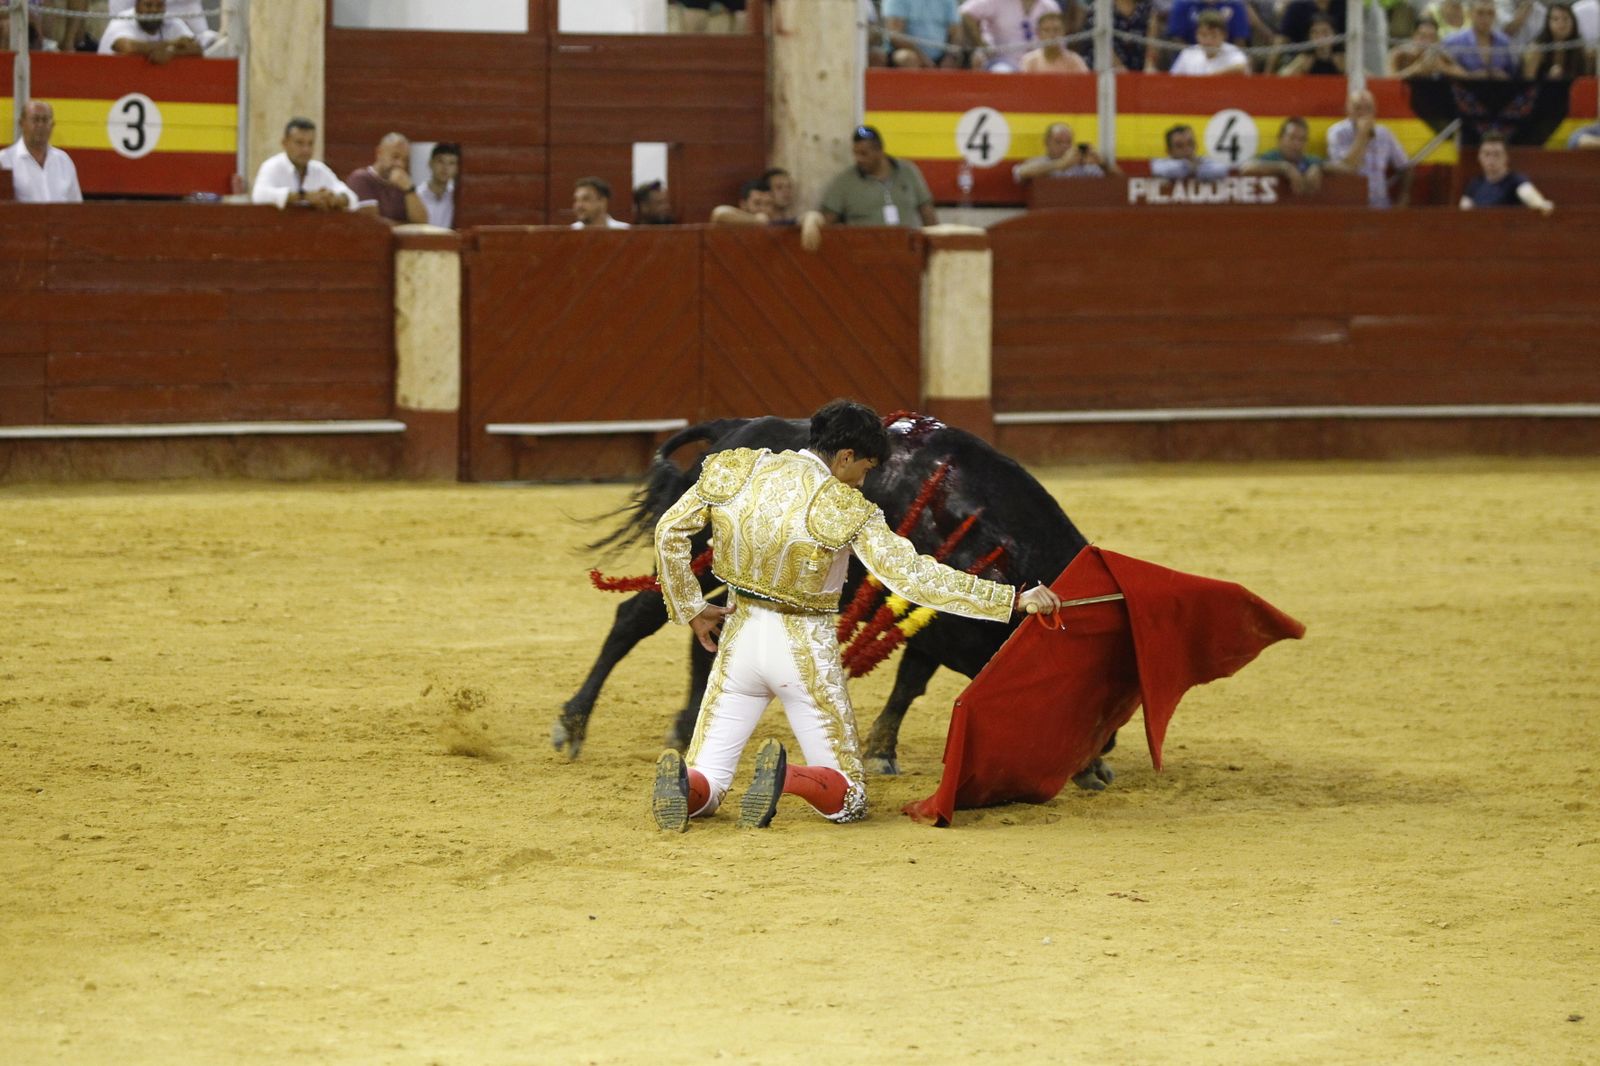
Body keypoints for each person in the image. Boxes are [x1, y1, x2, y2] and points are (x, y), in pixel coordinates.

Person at [649, 399, 1063, 831]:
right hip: (803, 651)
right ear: (845, 456)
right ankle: (788, 777)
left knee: (710, 777)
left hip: (738, 641)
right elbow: (912, 577)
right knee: (849, 798)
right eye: (864, 468)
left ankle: (689, 785)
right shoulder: (845, 509)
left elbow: (669, 533)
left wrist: (690, 607)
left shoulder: (739, 471)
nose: (864, 481)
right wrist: (1009, 600)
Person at [817, 125, 937, 228]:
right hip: (864, 251)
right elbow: (827, 221)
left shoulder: (908, 172)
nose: (858, 159)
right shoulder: (845, 182)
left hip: (906, 250)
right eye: (855, 153)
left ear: (879, 151)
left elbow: (927, 212)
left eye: (864, 154)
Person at [251, 117, 358, 211]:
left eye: (310, 143)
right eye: (299, 143)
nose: (306, 150)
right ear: (285, 143)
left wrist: (336, 199)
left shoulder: (319, 170)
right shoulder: (272, 166)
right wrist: (304, 197)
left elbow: (352, 198)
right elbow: (259, 196)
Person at [1326, 89, 1409, 207]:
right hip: (1349, 206)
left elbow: (1405, 167)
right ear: (1348, 110)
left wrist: (1404, 197)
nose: (1363, 113)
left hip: (1381, 206)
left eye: (1368, 108)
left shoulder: (1384, 133)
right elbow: (1345, 168)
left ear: (1375, 111)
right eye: (1358, 108)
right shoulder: (1337, 132)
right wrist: (1362, 135)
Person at [0, 100, 83, 203]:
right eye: (35, 120)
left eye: (45, 120)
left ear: (52, 125)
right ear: (22, 123)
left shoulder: (64, 161)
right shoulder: (4, 161)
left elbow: (76, 206)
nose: (40, 125)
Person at [1458, 132, 1556, 213]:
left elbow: (1528, 193)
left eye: (1497, 154)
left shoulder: (1516, 180)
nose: (1491, 159)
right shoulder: (1475, 184)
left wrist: (1540, 203)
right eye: (1486, 154)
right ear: (1479, 157)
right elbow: (1464, 211)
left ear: (1506, 157)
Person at [345, 133, 428, 225]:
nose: (400, 164)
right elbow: (372, 223)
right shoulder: (361, 179)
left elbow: (422, 221)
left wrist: (409, 189)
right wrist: (406, 225)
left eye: (405, 160)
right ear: (379, 153)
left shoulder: (402, 184)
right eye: (395, 157)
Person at [960, 0, 1063, 71]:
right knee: (1002, 72)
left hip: (1040, 64)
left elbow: (1060, 39)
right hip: (1003, 62)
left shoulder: (1049, 6)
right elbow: (965, 12)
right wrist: (982, 45)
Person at [98, 0, 202, 63]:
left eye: (159, 5)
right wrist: (173, 43)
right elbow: (126, 47)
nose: (154, 10)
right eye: (148, 5)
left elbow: (197, 49)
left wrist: (172, 52)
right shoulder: (123, 19)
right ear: (137, 7)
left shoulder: (171, 20)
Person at [1012, 122, 1119, 182]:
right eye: (1058, 142)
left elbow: (1122, 183)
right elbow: (1021, 173)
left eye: (1068, 142)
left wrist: (1103, 165)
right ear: (1047, 143)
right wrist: (1060, 164)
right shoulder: (1039, 163)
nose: (1064, 147)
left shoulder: (1084, 167)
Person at [1240, 116, 1322, 193]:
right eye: (1292, 138)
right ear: (1280, 139)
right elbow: (1246, 167)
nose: (1297, 144)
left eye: (1302, 139)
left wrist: (1318, 168)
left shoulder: (1308, 160)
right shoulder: (1272, 157)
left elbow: (1332, 166)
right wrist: (1284, 168)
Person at [1443, 0, 1520, 76]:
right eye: (1480, 13)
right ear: (1469, 14)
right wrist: (1470, 76)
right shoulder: (1453, 42)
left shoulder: (1505, 42)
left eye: (1490, 13)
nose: (1486, 18)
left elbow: (1513, 75)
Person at [883, 0, 965, 67]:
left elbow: (957, 33)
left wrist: (950, 56)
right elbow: (895, 35)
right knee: (907, 58)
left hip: (942, 54)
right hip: (908, 52)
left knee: (957, 58)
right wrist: (923, 59)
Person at [1082, 0, 1162, 70]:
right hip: (1105, 71)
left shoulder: (1148, 8)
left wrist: (1149, 66)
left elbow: (1152, 44)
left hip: (1139, 71)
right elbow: (1103, 46)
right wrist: (1122, 72)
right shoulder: (1099, 8)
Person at [1522, 2, 1593, 76]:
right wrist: (1549, 78)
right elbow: (1528, 83)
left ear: (1573, 22)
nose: (1561, 23)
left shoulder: (1579, 46)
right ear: (1547, 23)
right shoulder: (1537, 49)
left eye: (1565, 19)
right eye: (1555, 19)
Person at [1170, 10, 1252, 72]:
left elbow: (1241, 68)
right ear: (1196, 35)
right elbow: (1173, 79)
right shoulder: (1188, 53)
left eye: (1214, 35)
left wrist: (1206, 80)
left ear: (1224, 35)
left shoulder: (1233, 52)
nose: (1208, 41)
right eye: (1203, 35)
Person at [1389, 16, 1470, 75]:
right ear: (1414, 36)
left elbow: (1464, 75)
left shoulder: (1441, 55)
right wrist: (1416, 69)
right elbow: (1388, 80)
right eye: (1423, 37)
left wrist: (1443, 68)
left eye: (1432, 37)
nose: (1427, 42)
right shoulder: (1400, 54)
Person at [1151, 122, 1233, 177]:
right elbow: (1157, 169)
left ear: (1196, 145)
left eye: (1190, 144)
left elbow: (1221, 169)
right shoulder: (1162, 163)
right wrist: (1190, 166)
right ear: (1169, 151)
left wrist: (1195, 168)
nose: (1187, 149)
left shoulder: (1205, 160)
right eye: (1179, 146)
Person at [1021, 10, 1091, 69]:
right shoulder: (1030, 62)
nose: (1052, 35)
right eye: (1046, 30)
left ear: (1063, 32)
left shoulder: (1074, 61)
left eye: (1056, 30)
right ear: (1038, 33)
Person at [1278, 14, 1346, 72]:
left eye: (1325, 32)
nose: (1320, 37)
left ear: (1334, 34)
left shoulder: (1343, 58)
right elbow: (1282, 77)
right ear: (1309, 36)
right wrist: (1301, 69)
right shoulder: (1304, 58)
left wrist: (1343, 69)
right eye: (1315, 32)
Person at [418, 142, 459, 229]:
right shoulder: (417, 195)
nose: (445, 167)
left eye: (451, 163)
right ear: (430, 163)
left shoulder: (457, 197)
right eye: (440, 161)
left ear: (457, 169)